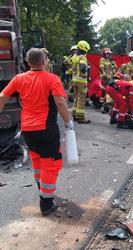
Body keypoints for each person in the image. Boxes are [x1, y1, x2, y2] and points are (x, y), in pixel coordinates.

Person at [0, 48, 73, 216]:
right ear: (44, 61)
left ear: (27, 62)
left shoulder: (19, 78)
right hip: (46, 129)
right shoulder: (52, 79)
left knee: (37, 161)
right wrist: (68, 123)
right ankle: (46, 203)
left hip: (28, 130)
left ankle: (43, 190)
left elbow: (2, 97)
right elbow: (61, 103)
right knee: (51, 163)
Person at [71, 40, 91, 123]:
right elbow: (83, 68)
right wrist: (87, 71)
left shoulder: (75, 57)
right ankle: (80, 117)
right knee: (81, 99)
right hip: (81, 81)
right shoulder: (83, 57)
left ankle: (74, 114)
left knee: (76, 98)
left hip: (74, 80)